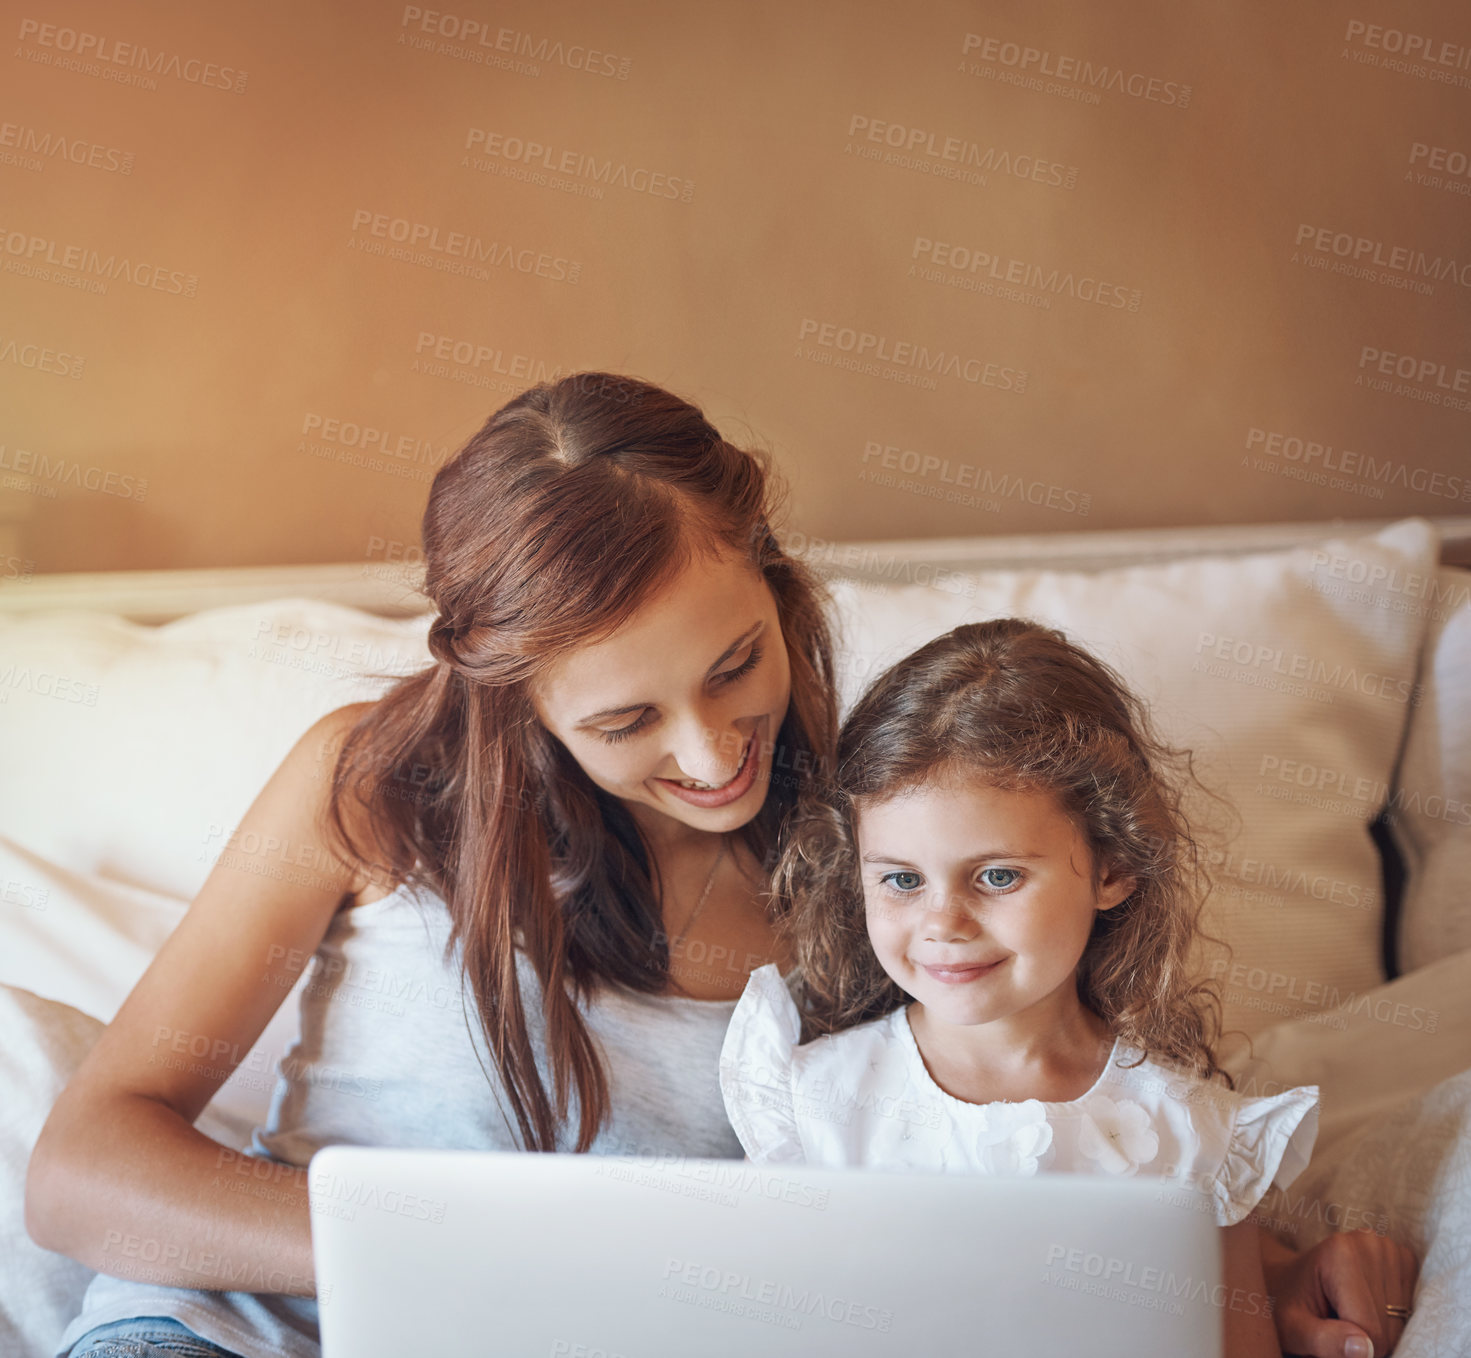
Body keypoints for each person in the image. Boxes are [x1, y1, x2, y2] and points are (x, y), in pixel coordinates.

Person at [25, 374, 1414, 1358]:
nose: (707, 754)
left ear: (769, 576)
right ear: (516, 700)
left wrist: (1267, 1273)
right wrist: (426, 1239)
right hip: (242, 1334)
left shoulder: (877, 866)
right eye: (624, 721)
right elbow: (85, 1166)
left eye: (733, 665)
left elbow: (1010, 1139)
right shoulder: (371, 789)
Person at [720, 618, 1419, 1358]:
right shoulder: (811, 1100)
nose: (943, 923)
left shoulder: (1189, 1134)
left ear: (1114, 868)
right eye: (901, 879)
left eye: (997, 876)